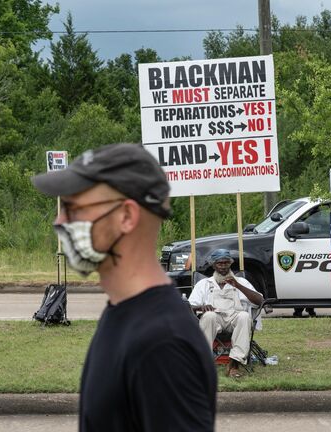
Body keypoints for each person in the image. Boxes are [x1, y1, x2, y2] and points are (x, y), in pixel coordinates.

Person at [32, 143, 216, 431]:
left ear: (127, 217)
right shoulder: (124, 310)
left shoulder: (162, 344)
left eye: (73, 207)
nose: (60, 220)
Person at [188, 249, 264, 378]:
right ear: (213, 265)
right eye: (219, 263)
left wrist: (238, 285)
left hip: (234, 317)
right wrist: (201, 306)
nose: (223, 266)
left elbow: (259, 301)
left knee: (244, 316)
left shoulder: (241, 282)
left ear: (230, 264)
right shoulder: (204, 284)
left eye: (226, 263)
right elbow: (188, 306)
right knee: (209, 316)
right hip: (215, 318)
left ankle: (234, 364)